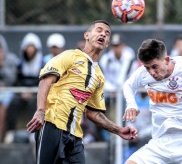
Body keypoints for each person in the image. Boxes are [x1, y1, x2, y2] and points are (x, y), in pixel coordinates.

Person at [26, 20, 137, 164]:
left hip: (75, 136)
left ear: (107, 43)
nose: (103, 33)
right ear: (87, 35)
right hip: (52, 125)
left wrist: (118, 130)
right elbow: (45, 80)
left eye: (107, 33)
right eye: (99, 30)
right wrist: (40, 111)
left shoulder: (99, 76)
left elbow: (93, 113)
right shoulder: (69, 56)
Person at [5, 32, 43, 143]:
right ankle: (10, 132)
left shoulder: (42, 64)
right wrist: (22, 92)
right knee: (13, 103)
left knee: (34, 104)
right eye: (28, 47)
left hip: (36, 93)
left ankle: (33, 132)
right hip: (22, 93)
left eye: (32, 47)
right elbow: (17, 81)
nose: (30, 50)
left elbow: (41, 82)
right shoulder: (20, 64)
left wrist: (32, 92)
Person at [0, 35, 18, 142]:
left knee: (2, 110)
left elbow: (12, 78)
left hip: (8, 91)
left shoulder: (11, 59)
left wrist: (1, 65)